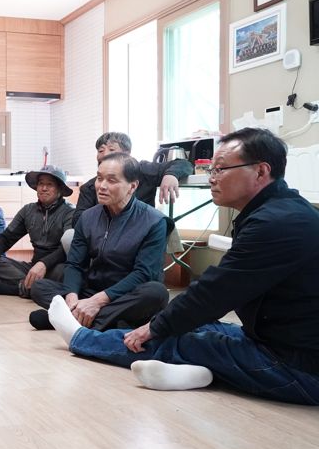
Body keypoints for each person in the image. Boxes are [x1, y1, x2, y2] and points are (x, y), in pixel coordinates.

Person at [47, 128, 319, 405]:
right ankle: (194, 374)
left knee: (174, 336)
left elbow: (215, 292)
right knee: (200, 328)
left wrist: (154, 327)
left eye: (220, 169)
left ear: (261, 172)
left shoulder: (277, 223)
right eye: (211, 169)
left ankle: (81, 338)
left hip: (299, 366)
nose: (212, 177)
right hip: (273, 339)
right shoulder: (276, 211)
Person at [29, 153, 169, 331]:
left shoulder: (154, 221)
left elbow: (143, 274)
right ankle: (100, 320)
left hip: (127, 294)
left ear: (132, 186)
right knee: (39, 287)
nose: (101, 186)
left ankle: (67, 319)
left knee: (156, 293)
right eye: (99, 178)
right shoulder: (88, 217)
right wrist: (72, 296)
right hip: (91, 291)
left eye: (111, 180)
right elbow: (74, 264)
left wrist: (98, 301)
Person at [0, 165, 74, 298]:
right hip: (32, 267)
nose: (44, 188)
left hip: (57, 266)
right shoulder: (28, 210)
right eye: (41, 183)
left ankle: (19, 288)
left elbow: (68, 248)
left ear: (59, 189)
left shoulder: (70, 212)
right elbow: (4, 239)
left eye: (50, 184)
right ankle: (34, 288)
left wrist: (44, 264)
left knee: (67, 272)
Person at [72, 132, 193, 227]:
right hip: (102, 236)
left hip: (140, 231)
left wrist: (171, 175)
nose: (105, 154)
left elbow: (184, 164)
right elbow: (78, 221)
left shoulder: (143, 170)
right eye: (100, 150)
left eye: (112, 149)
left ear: (127, 153)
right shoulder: (90, 187)